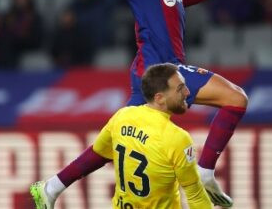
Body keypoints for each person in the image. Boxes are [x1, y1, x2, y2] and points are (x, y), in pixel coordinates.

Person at [32, 0, 247, 207]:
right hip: (159, 69)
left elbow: (176, 2)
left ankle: (51, 187)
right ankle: (204, 172)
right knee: (236, 99)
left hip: (149, 72)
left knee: (110, 143)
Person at [31, 63, 213, 209]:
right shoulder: (178, 138)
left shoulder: (122, 116)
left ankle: (51, 188)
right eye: (180, 88)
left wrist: (57, 184)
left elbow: (97, 153)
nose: (188, 93)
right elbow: (195, 195)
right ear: (159, 98)